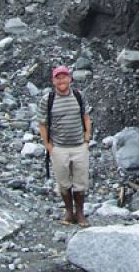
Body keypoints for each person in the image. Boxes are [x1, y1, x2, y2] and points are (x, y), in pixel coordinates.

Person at [37, 65, 92, 227]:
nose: (61, 80)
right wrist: (48, 145)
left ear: (70, 78)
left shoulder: (78, 96)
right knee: (63, 182)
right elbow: (42, 124)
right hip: (59, 147)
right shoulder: (48, 99)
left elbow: (86, 115)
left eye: (64, 77)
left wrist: (87, 136)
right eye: (58, 77)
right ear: (53, 81)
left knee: (80, 181)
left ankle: (80, 213)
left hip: (79, 146)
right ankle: (69, 212)